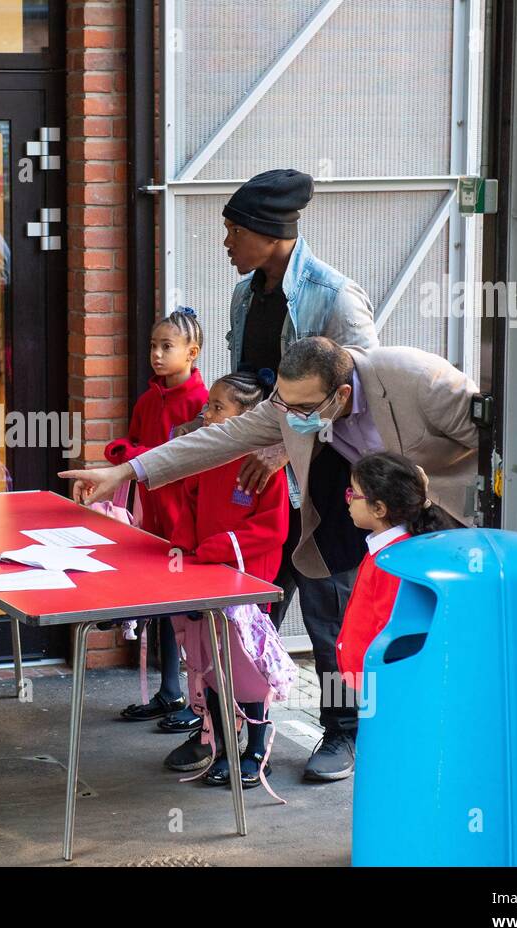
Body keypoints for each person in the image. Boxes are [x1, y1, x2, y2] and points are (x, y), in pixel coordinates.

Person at [61, 337, 517, 779]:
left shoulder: (417, 380)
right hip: (354, 515)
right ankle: (352, 735)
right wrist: (125, 471)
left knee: (460, 643)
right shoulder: (294, 403)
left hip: (456, 519)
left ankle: (472, 744)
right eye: (284, 406)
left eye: (303, 407)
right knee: (349, 633)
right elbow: (214, 441)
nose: (290, 418)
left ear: (342, 393)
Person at [161, 169, 381, 773]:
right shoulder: (244, 294)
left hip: (324, 484)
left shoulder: (334, 296)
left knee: (331, 617)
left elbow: (363, 385)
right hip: (256, 488)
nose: (226, 242)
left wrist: (286, 445)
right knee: (243, 616)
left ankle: (344, 733)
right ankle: (225, 731)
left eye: (233, 230)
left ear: (268, 233)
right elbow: (248, 391)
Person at [160, 371, 295, 789]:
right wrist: (182, 552)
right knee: (210, 666)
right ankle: (219, 742)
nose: (206, 414)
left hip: (248, 583)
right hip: (205, 578)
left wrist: (217, 548)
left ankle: (257, 748)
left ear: (247, 417)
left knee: (244, 666)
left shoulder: (261, 465)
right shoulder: (205, 458)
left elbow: (273, 530)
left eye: (218, 408)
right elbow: (188, 509)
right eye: (208, 406)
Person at [105, 307, 209, 722]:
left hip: (188, 519)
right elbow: (136, 443)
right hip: (154, 518)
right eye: (153, 346)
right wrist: (121, 453)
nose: (157, 354)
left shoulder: (203, 402)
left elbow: (188, 459)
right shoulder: (149, 399)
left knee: (192, 612)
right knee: (164, 606)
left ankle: (200, 703)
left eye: (167, 346)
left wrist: (132, 455)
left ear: (192, 352)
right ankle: (171, 691)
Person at [335, 452, 462, 691]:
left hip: (379, 684)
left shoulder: (393, 560)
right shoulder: (385, 548)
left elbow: (390, 632)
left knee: (372, 729)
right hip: (366, 679)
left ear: (379, 508)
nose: (349, 500)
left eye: (353, 493)